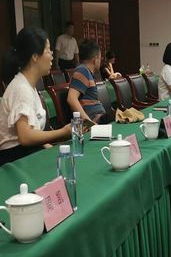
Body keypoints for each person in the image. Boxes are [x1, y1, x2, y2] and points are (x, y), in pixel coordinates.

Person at [0, 27, 71, 166]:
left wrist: (52, 149)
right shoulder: (21, 88)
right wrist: (62, 132)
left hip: (26, 153)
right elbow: (26, 137)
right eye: (48, 51)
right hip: (16, 161)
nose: (52, 57)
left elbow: (34, 134)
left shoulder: (28, 85)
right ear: (35, 57)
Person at [67, 39, 112, 124]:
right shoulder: (82, 71)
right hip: (96, 121)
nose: (100, 61)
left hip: (101, 118)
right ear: (95, 59)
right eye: (100, 58)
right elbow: (71, 99)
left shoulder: (87, 72)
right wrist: (89, 124)